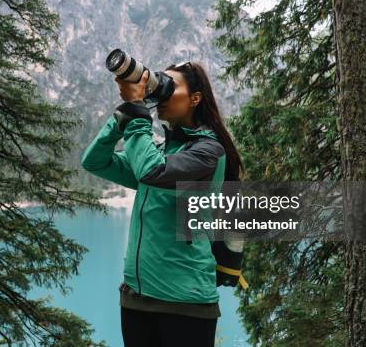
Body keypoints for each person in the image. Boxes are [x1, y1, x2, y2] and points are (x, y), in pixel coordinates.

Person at [81, 61, 245, 347]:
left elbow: (151, 172)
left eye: (171, 87)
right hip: (137, 300)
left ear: (195, 99)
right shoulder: (156, 152)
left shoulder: (208, 152)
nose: (162, 95)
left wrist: (138, 116)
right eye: (161, 85)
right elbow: (95, 161)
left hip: (185, 303)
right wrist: (123, 115)